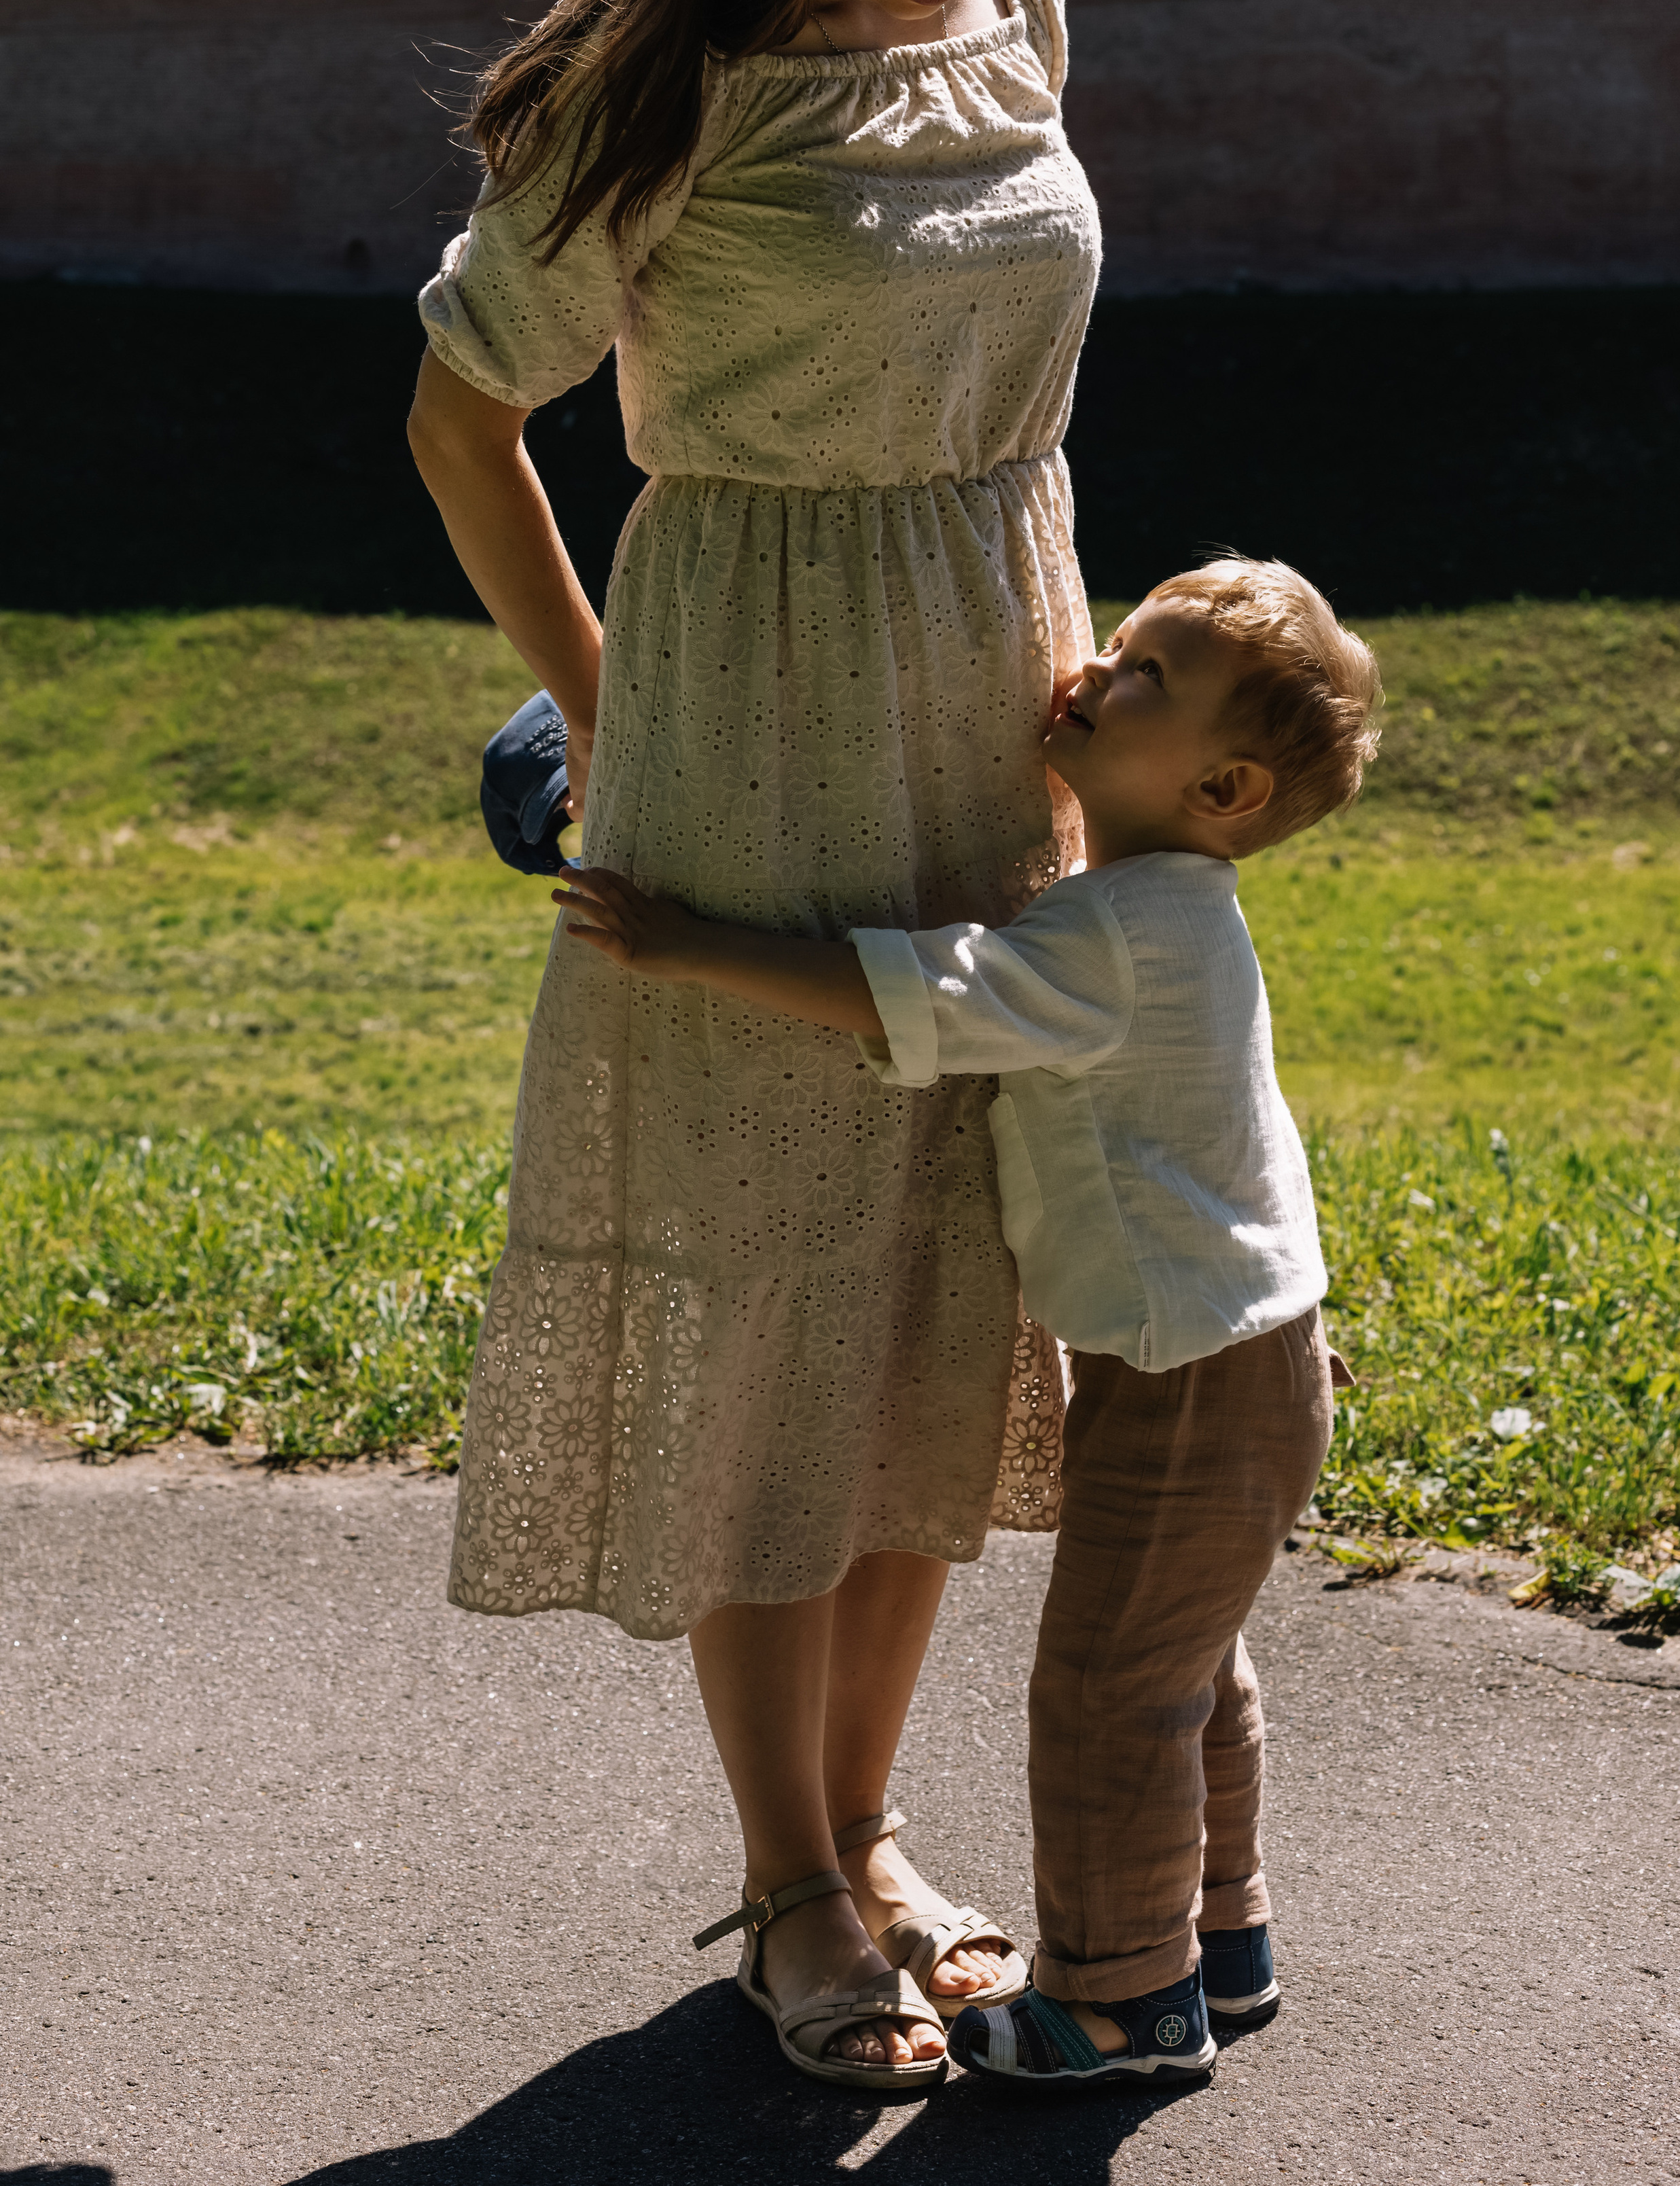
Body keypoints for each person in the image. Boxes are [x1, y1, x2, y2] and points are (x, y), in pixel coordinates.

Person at [407, 0, 1100, 2090]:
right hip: (755, 746)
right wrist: (611, 717)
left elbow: (1004, 382)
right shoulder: (664, 87)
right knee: (779, 1320)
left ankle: (877, 1830)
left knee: (941, 1309)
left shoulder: (1019, 19)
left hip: (995, 720)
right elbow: (461, 415)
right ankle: (791, 1881)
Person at [558, 556, 1381, 2088]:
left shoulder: (1111, 938)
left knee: (1111, 1693)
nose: (1089, 670)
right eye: (1119, 639)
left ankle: (1125, 2001)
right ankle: (1223, 1933)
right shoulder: (1168, 912)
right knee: (1185, 1663)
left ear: (1221, 786)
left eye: (1142, 674)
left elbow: (922, 999)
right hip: (1239, 1356)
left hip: (1190, 1377)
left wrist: (690, 944)